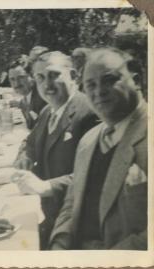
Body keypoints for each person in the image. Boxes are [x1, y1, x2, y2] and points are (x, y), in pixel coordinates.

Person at [50, 48, 147, 250]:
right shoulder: (88, 141)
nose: (99, 91)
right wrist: (59, 243)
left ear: (136, 81)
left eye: (110, 80)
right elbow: (72, 203)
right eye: (90, 84)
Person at [12, 51, 98, 249]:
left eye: (53, 75)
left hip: (77, 226)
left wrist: (47, 187)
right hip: (47, 216)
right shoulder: (48, 110)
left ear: (74, 76)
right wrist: (25, 156)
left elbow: (96, 175)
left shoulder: (89, 112)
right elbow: (29, 141)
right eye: (40, 77)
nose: (46, 85)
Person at [8, 60, 46, 129]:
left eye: (21, 77)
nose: (16, 83)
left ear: (31, 76)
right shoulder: (27, 95)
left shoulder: (42, 97)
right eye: (12, 79)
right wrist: (19, 104)